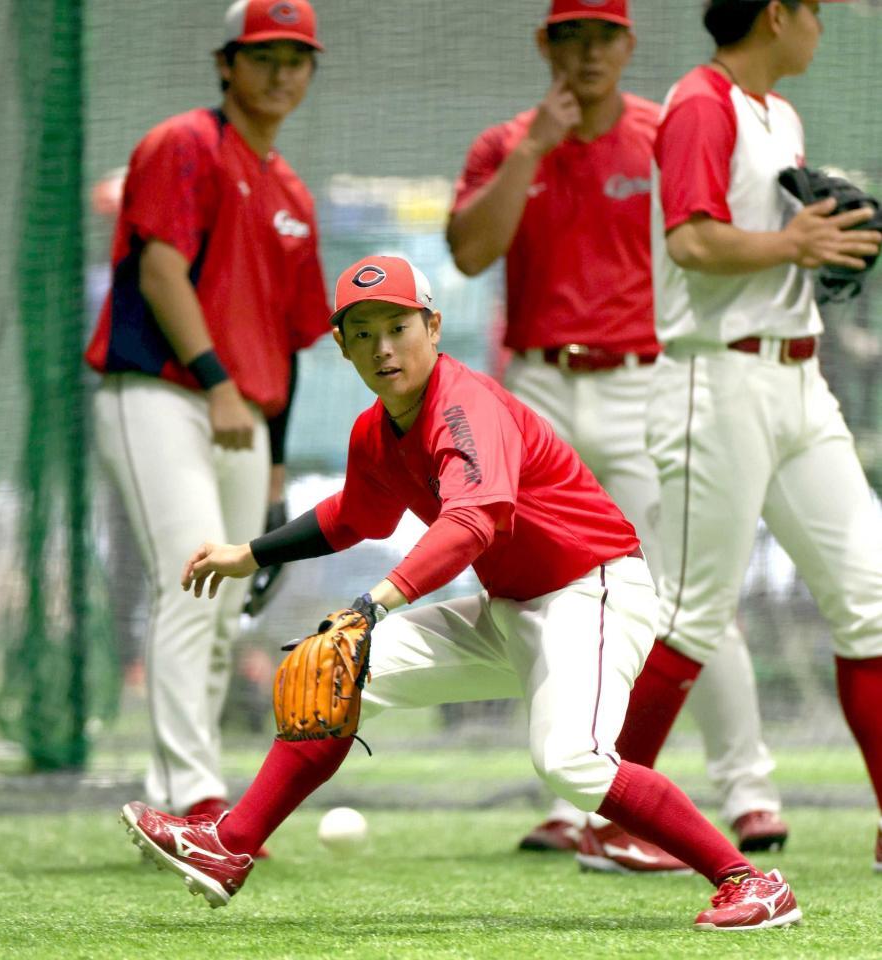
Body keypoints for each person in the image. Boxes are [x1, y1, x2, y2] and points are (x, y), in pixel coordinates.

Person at [121, 254, 801, 931]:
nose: (383, 348)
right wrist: (249, 553)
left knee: (571, 761)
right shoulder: (375, 430)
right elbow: (355, 516)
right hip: (515, 608)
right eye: (363, 333)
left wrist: (374, 604)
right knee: (339, 673)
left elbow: (472, 523)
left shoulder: (465, 405)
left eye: (398, 327)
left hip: (592, 592)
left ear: (434, 326)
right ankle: (230, 846)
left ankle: (751, 881)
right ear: (342, 346)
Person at [446, 0, 786, 866]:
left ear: (628, 44)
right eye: (571, 35)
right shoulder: (503, 143)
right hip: (538, 394)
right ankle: (573, 801)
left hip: (644, 384)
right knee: (549, 599)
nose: (588, 52)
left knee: (681, 591)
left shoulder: (658, 133)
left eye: (604, 35)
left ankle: (749, 791)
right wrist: (532, 149)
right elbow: (469, 253)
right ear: (545, 44)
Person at [613, 0, 882, 873]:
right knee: (692, 614)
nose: (820, 25)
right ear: (775, 14)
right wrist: (791, 241)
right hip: (714, 377)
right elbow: (690, 243)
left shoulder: (778, 113)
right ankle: (610, 818)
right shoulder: (699, 102)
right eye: (814, 10)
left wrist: (812, 241)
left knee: (868, 598)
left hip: (797, 377)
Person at [85, 0, 330, 833]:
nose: (281, 72)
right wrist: (217, 380)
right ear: (226, 62)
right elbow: (161, 271)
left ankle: (178, 796)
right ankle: (198, 799)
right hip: (158, 393)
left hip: (244, 415)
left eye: (296, 58)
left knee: (223, 610)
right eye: (263, 55)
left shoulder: (292, 191)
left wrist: (275, 465)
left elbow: (290, 342)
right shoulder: (182, 143)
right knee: (191, 582)